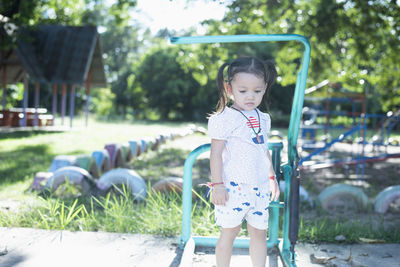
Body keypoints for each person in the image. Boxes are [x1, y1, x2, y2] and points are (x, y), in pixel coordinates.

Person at [207, 57, 280, 267]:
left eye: (257, 91)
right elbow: (215, 154)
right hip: (234, 187)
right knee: (230, 232)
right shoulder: (224, 118)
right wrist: (217, 185)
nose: (251, 96)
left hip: (260, 187)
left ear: (264, 88)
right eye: (243, 91)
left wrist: (272, 177)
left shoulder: (263, 118)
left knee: (259, 233)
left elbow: (262, 149)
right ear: (229, 89)